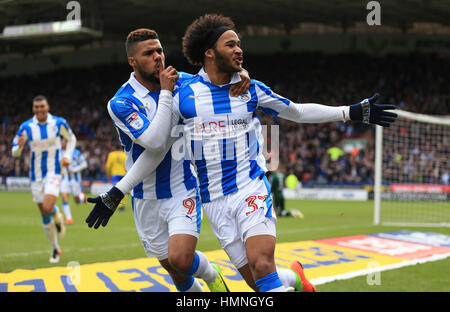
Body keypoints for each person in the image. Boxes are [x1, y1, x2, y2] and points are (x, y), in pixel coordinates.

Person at [86, 14, 397, 292]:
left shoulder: (249, 87)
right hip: (214, 201)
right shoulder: (182, 92)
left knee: (262, 265)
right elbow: (158, 149)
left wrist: (350, 111)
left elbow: (298, 111)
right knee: (259, 279)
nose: (239, 50)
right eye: (230, 44)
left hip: (250, 187)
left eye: (239, 45)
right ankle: (296, 278)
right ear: (209, 52)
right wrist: (118, 192)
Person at [87, 28, 250, 292]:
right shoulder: (121, 102)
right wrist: (166, 91)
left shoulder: (182, 82)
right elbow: (153, 142)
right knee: (177, 273)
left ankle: (211, 276)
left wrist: (240, 73)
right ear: (133, 61)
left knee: (181, 258)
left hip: (182, 189)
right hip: (145, 196)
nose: (157, 57)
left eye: (159, 50)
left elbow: (219, 77)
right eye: (148, 53)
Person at [12, 95, 77, 263]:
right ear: (33, 109)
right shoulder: (26, 127)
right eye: (36, 107)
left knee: (47, 206)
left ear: (47, 107)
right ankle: (55, 248)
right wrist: (18, 148)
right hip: (36, 175)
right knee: (44, 212)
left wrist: (68, 157)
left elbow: (72, 139)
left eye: (42, 106)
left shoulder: (58, 123)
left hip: (54, 171)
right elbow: (14, 151)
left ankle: (57, 216)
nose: (39, 109)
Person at [60, 138, 88, 225]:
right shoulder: (60, 153)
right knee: (64, 196)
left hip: (75, 180)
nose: (61, 143)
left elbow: (84, 164)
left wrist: (74, 170)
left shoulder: (76, 153)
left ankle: (81, 197)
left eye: (63, 141)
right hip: (65, 179)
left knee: (76, 201)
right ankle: (69, 219)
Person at [105, 143, 127, 211]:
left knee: (115, 189)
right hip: (123, 174)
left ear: (114, 147)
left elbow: (108, 166)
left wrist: (108, 174)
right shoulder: (125, 154)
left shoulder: (111, 154)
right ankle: (121, 205)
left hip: (115, 175)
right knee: (124, 189)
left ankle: (114, 203)